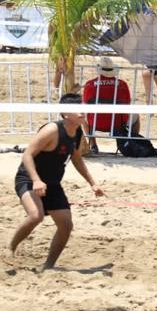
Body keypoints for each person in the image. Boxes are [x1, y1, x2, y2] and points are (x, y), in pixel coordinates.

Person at [8, 93, 104, 269]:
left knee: (66, 225)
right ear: (65, 113)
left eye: (83, 108)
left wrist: (92, 183)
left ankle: (49, 266)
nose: (83, 112)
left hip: (52, 183)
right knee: (35, 216)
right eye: (78, 109)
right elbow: (27, 155)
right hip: (29, 178)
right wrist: (36, 180)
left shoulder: (77, 132)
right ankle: (11, 248)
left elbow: (76, 158)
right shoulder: (52, 130)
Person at [82, 57, 136, 149]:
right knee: (136, 116)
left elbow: (86, 103)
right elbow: (127, 103)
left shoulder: (89, 84)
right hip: (118, 123)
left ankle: (93, 145)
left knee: (83, 116)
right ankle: (129, 145)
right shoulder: (122, 84)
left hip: (95, 122)